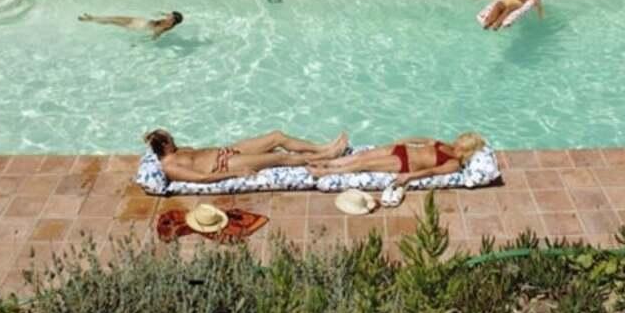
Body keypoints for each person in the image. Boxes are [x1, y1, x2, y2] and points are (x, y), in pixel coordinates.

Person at [146, 128, 349, 183]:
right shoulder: (170, 166)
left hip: (227, 151)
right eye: (171, 138)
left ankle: (322, 148)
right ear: (165, 145)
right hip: (226, 165)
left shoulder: (177, 150)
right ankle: (329, 157)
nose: (174, 139)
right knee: (278, 157)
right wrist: (236, 174)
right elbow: (202, 178)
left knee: (276, 136)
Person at [307, 132, 486, 186]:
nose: (455, 144)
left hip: (404, 163)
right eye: (458, 141)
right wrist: (406, 140)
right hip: (401, 149)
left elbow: (431, 171)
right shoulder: (447, 145)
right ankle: (328, 162)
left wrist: (410, 176)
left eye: (460, 146)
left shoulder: (454, 164)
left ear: (466, 152)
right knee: (361, 155)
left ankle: (326, 172)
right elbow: (426, 140)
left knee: (364, 164)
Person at [79, 11, 183, 40]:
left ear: (173, 19)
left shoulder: (167, 26)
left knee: (112, 21)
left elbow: (157, 33)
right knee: (115, 17)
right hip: (142, 21)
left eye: (170, 14)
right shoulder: (170, 21)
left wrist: (140, 41)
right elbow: (161, 21)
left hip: (140, 26)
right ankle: (93, 18)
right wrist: (161, 14)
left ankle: (90, 20)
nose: (168, 14)